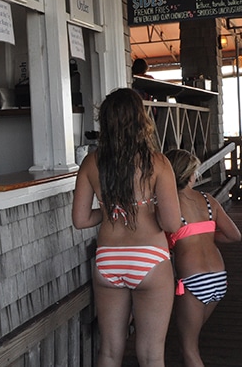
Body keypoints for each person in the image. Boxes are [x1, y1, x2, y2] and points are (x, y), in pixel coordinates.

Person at [72, 88, 182, 367]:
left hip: (108, 260)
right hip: (150, 261)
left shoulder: (90, 163)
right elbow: (171, 223)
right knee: (151, 353)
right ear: (140, 119)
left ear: (105, 123)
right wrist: (147, 208)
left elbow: (81, 220)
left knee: (109, 351)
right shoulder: (158, 163)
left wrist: (111, 210)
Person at [164, 149, 240, 367]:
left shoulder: (170, 206)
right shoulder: (208, 200)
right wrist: (205, 237)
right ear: (190, 176)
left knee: (189, 348)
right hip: (218, 277)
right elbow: (234, 235)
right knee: (189, 338)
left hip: (193, 280)